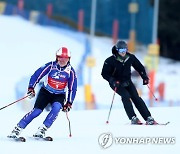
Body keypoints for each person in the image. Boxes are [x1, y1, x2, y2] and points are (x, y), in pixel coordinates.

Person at [8, 47, 77, 138]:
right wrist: (31, 88)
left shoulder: (70, 71)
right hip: (46, 92)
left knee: (56, 108)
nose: (63, 60)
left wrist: (69, 102)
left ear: (69, 59)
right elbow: (36, 75)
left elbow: (73, 88)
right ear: (57, 57)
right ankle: (18, 129)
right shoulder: (50, 66)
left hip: (59, 95)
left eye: (65, 58)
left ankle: (42, 129)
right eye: (60, 57)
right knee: (36, 111)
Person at [101, 40, 157, 125]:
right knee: (126, 96)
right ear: (117, 50)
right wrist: (112, 81)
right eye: (121, 51)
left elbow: (140, 67)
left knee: (136, 98)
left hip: (127, 82)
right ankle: (133, 118)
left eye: (124, 50)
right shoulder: (110, 61)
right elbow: (104, 74)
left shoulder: (130, 57)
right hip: (116, 83)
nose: (123, 53)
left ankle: (148, 118)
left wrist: (144, 77)